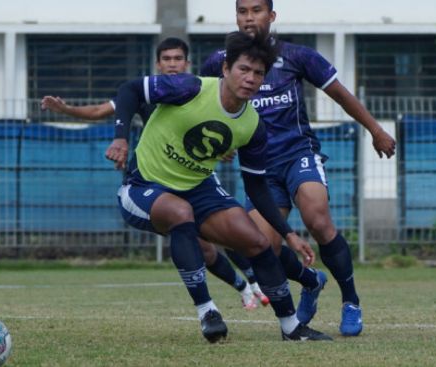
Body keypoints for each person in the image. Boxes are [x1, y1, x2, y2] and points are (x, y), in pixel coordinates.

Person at [111, 30, 332, 343]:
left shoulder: (252, 125)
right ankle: (207, 311)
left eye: (258, 73)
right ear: (226, 68)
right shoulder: (190, 87)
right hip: (142, 186)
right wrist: (120, 137)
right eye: (244, 69)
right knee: (180, 212)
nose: (250, 78)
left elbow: (256, 188)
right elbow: (130, 90)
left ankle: (291, 327)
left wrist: (289, 234)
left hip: (199, 190)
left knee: (257, 242)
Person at [200, 0, 397, 336]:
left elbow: (340, 94)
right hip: (259, 169)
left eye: (257, 10)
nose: (250, 17)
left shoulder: (297, 56)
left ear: (271, 16)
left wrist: (375, 130)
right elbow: (205, 107)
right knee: (261, 246)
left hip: (297, 154)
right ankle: (310, 280)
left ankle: (351, 301)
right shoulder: (219, 62)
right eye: (243, 11)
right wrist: (218, 144)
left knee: (318, 220)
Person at [41, 37, 269, 310]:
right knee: (204, 247)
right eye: (167, 59)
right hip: (157, 180)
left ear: (188, 63)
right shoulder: (151, 92)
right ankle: (243, 287)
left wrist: (223, 148)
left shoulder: (199, 89)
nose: (172, 64)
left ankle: (255, 282)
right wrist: (66, 109)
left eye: (178, 59)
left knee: (225, 229)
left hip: (197, 180)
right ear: (158, 64)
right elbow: (102, 109)